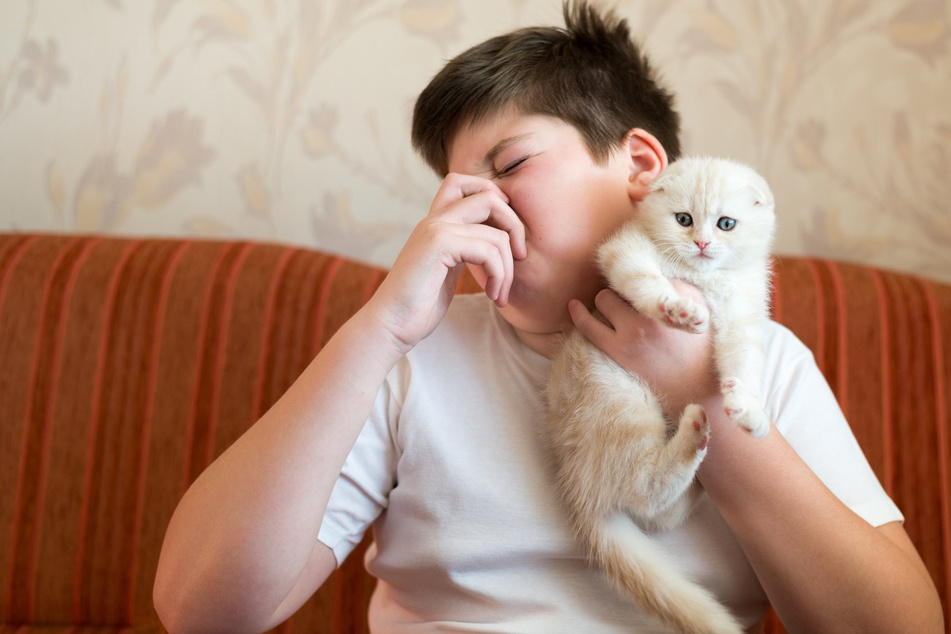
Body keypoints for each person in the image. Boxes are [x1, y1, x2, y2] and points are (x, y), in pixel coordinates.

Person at [153, 2, 943, 632]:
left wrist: (701, 395)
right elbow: (201, 610)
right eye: (455, 189)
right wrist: (376, 333)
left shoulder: (759, 361)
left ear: (639, 166)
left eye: (510, 165)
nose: (474, 208)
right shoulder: (411, 361)